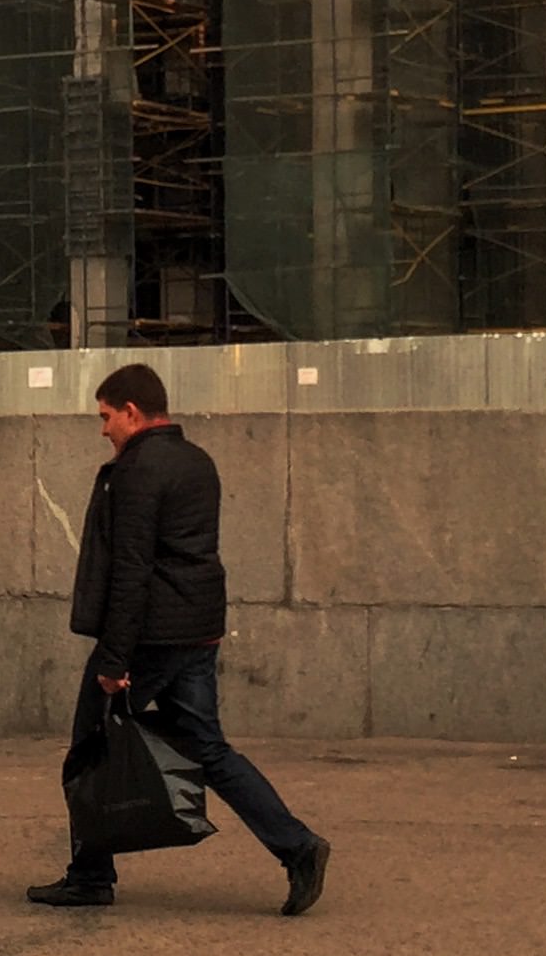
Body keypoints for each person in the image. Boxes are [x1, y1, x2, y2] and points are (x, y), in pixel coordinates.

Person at [31, 363, 331, 915]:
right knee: (207, 748)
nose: (103, 431)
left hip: (149, 636)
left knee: (89, 751)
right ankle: (298, 847)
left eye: (106, 417)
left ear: (132, 412)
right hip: (197, 630)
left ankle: (90, 876)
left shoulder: (138, 471)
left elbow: (133, 567)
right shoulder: (197, 461)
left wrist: (115, 658)